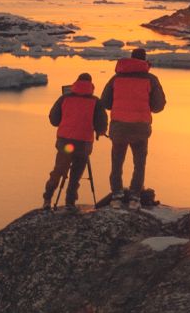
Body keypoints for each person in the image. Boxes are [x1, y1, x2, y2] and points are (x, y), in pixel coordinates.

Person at [102, 46, 165, 204]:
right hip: (140, 127)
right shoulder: (151, 80)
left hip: (119, 127)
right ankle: (135, 196)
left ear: (130, 59)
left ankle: (116, 194)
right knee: (139, 163)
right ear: (145, 61)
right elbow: (158, 106)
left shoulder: (116, 79)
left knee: (117, 162)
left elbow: (105, 102)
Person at [44, 71, 101, 209]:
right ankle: (70, 202)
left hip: (65, 142)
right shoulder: (95, 101)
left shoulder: (64, 98)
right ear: (91, 85)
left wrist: (66, 122)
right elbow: (101, 122)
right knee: (76, 174)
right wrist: (99, 131)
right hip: (84, 143)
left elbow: (53, 119)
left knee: (59, 170)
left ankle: (47, 199)